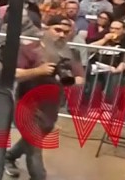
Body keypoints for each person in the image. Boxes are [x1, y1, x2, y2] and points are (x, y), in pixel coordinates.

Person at [5, 17, 85, 179]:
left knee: (32, 140)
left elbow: (80, 78)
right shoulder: (29, 49)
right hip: (26, 104)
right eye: (58, 30)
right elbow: (14, 73)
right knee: (34, 144)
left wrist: (67, 81)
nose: (61, 35)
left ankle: (9, 156)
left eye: (66, 32)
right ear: (46, 29)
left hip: (50, 109)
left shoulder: (71, 54)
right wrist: (38, 71)